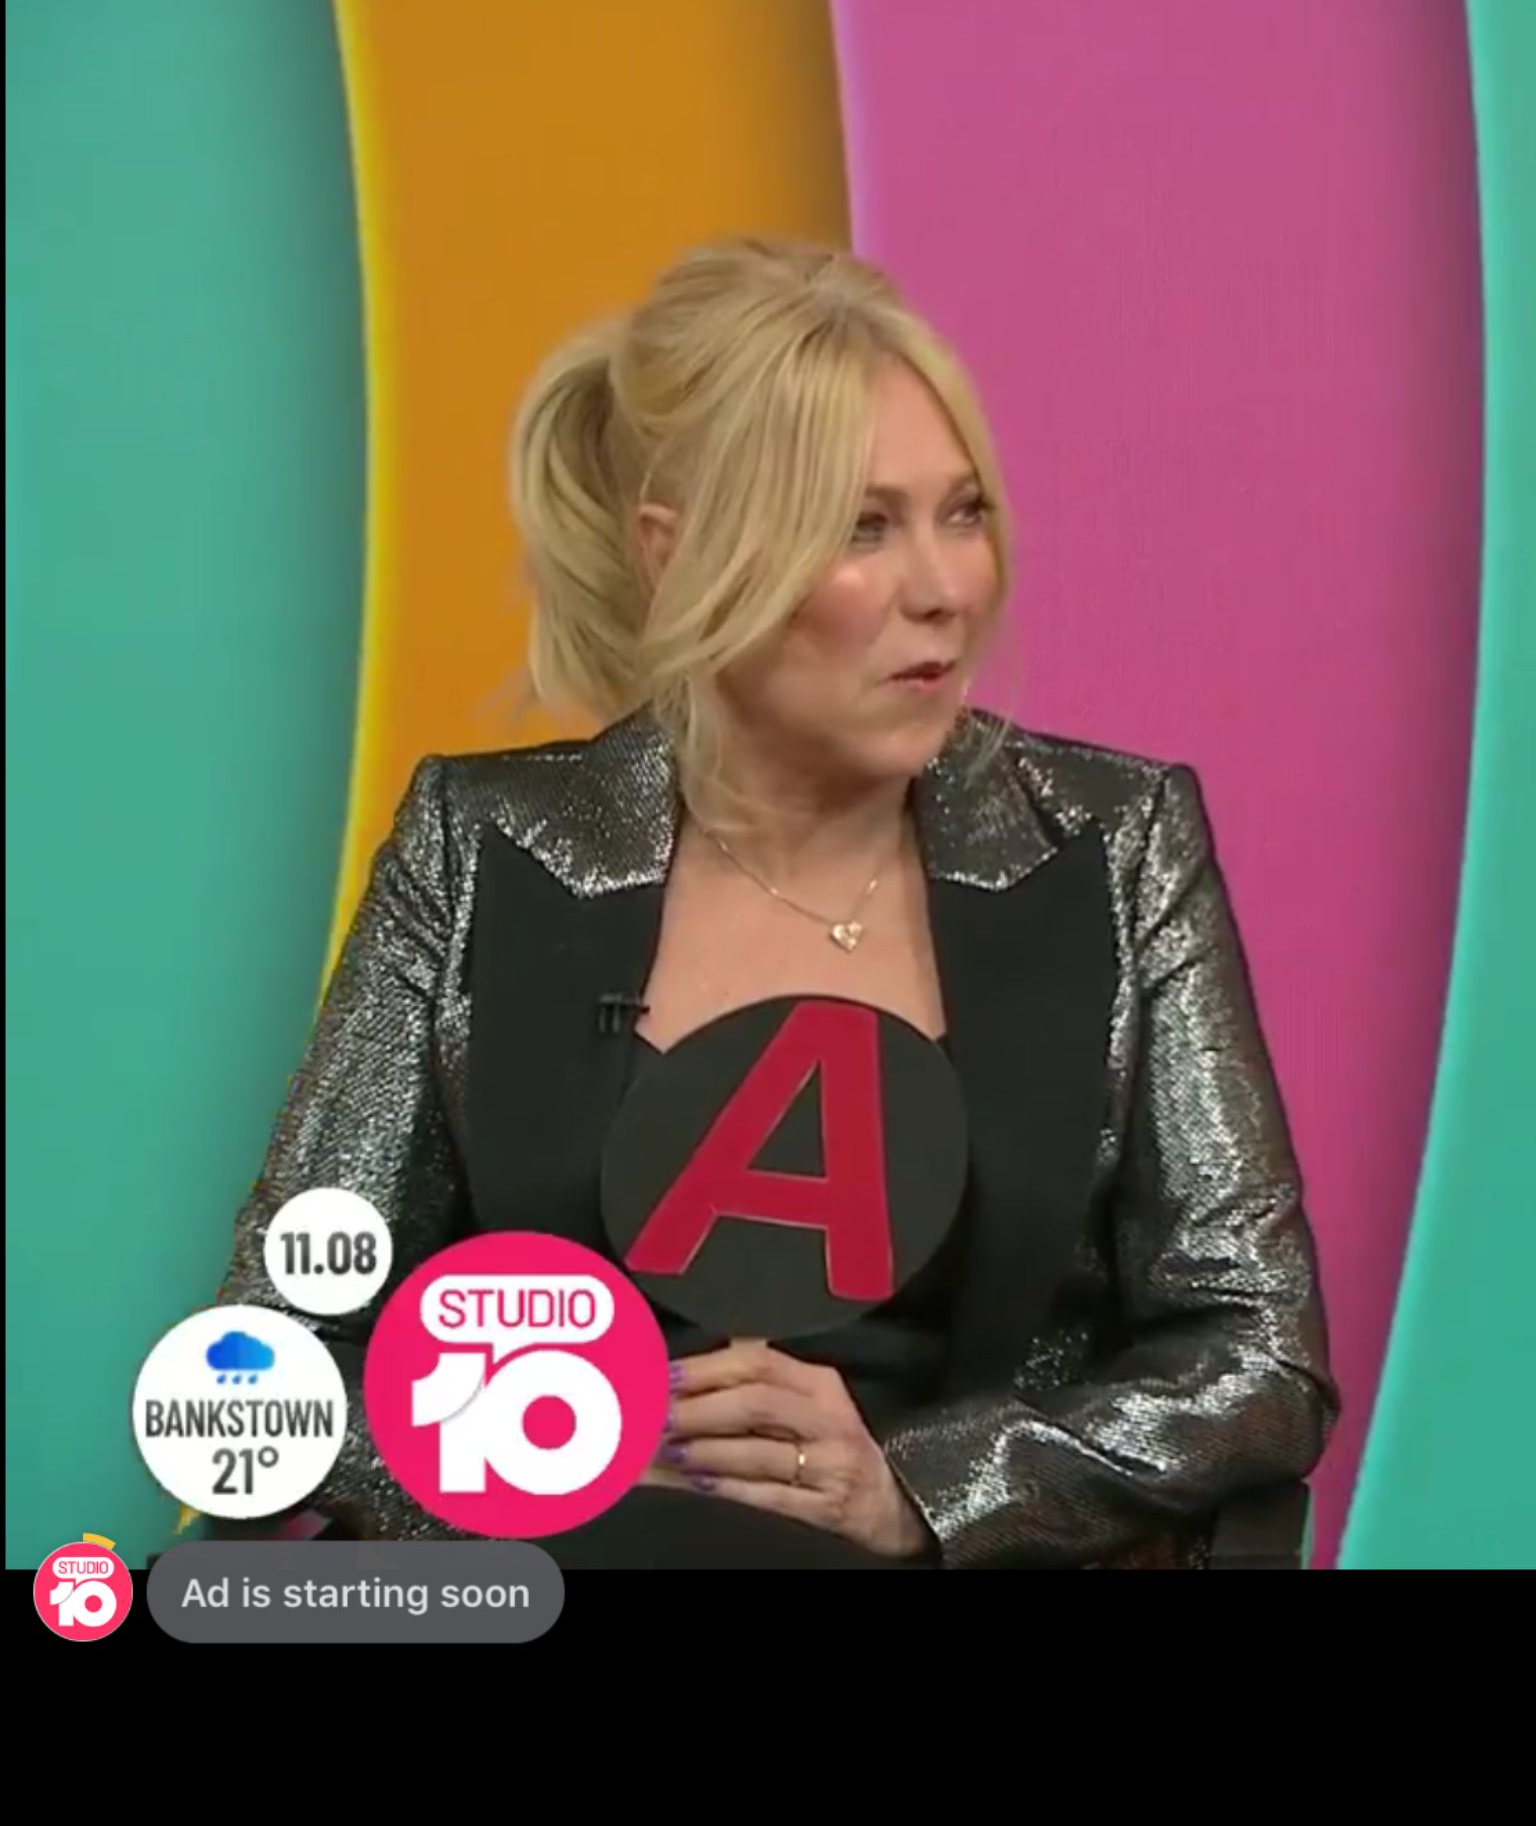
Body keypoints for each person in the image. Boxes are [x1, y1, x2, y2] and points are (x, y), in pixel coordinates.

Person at [213, 235, 1338, 1569]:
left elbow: (1257, 1353)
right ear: (680, 556)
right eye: (861, 528)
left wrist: (921, 1492)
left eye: (963, 513)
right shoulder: (481, 848)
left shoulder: (1115, 843)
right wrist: (548, 1453)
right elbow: (269, 1362)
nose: (944, 590)